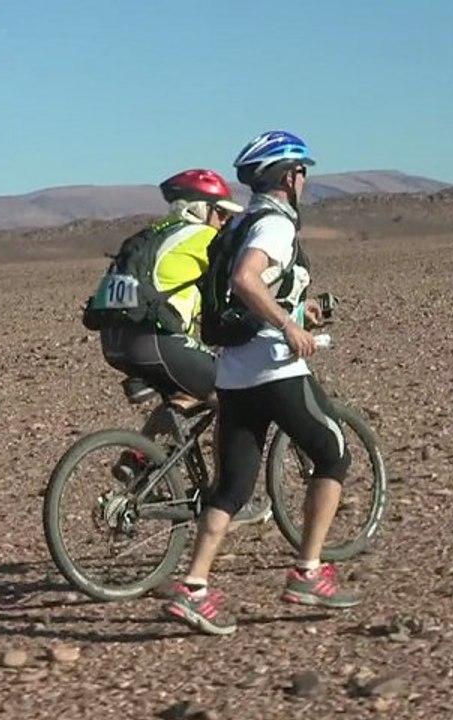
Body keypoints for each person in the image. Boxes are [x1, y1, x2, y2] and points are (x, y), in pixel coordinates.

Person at [163, 131, 360, 636]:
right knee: (334, 453)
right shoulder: (274, 226)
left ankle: (194, 588)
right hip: (275, 369)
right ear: (288, 178)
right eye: (302, 173)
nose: (305, 182)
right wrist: (290, 327)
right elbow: (247, 281)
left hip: (234, 373)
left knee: (232, 487)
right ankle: (308, 572)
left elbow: (257, 290)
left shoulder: (241, 222)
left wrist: (299, 309)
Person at [93, 169, 268, 529]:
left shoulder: (156, 235)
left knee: (191, 392)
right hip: (154, 340)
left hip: (116, 341)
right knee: (235, 393)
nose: (223, 222)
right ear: (199, 210)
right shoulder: (202, 238)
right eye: (220, 213)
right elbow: (245, 286)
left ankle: (139, 457)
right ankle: (228, 498)